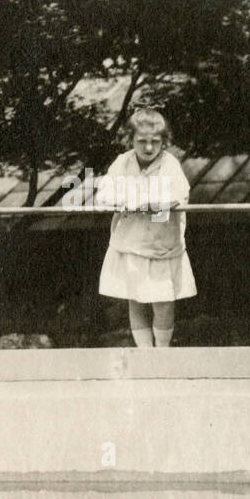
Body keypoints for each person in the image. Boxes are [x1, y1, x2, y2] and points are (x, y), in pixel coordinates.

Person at [97, 107, 196, 348]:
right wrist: (124, 199)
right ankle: (145, 354)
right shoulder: (122, 163)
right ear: (130, 140)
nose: (149, 148)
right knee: (136, 298)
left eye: (155, 141)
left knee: (163, 301)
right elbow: (104, 194)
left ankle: (161, 352)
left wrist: (152, 201)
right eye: (142, 141)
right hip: (131, 243)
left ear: (164, 141)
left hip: (161, 245)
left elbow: (179, 194)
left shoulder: (169, 164)